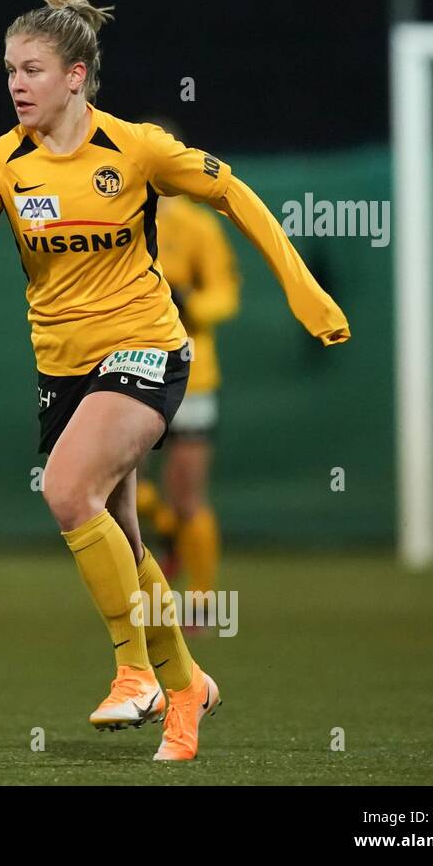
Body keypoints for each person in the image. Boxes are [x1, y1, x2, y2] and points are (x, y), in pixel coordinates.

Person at [0, 0, 350, 761]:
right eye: (9, 70)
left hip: (148, 348)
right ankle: (186, 686)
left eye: (31, 70)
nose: (16, 84)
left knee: (66, 491)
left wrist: (303, 289)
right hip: (63, 370)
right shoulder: (2, 164)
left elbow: (234, 194)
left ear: (75, 76)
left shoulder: (136, 149)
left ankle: (134, 673)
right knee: (120, 536)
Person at [133, 162, 242, 614]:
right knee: (121, 485)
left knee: (188, 496)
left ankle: (201, 601)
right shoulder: (117, 222)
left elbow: (225, 293)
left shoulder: (198, 227)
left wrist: (190, 303)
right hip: (131, 370)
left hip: (191, 375)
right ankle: (168, 531)